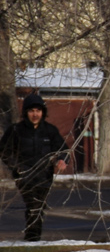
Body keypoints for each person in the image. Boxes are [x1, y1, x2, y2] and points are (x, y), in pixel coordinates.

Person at [1, 93, 68, 241]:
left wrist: (62, 160)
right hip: (24, 175)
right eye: (31, 111)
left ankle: (33, 237)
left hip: (45, 175)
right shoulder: (16, 130)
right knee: (33, 204)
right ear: (26, 112)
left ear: (43, 112)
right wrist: (15, 166)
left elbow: (63, 149)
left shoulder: (50, 130)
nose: (35, 114)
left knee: (39, 206)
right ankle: (32, 238)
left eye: (38, 110)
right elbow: (4, 151)